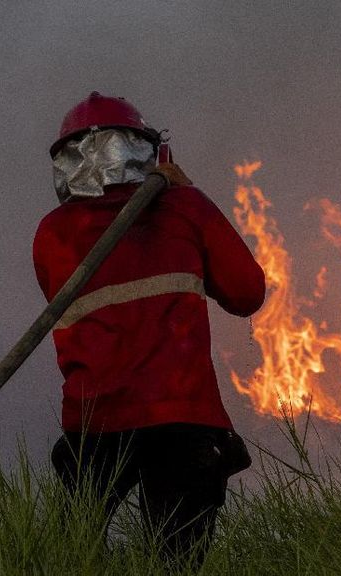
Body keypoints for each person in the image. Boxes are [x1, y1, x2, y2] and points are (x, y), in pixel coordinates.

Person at [33, 92, 265, 562]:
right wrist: (184, 192)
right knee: (177, 560)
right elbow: (246, 293)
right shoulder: (184, 209)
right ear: (148, 150)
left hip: (94, 426)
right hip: (182, 422)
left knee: (71, 558)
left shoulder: (52, 234)